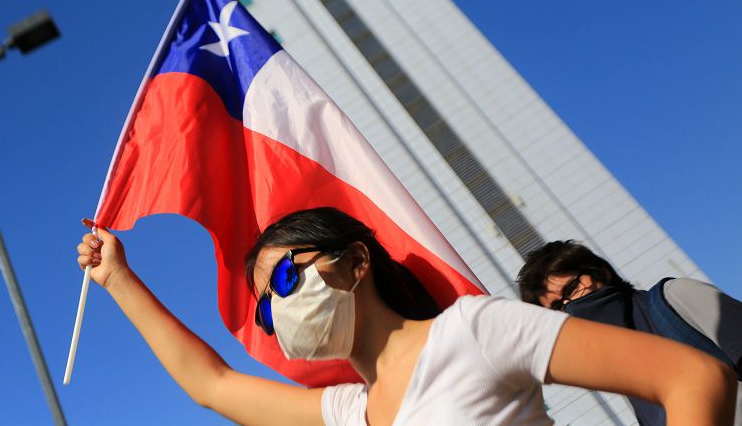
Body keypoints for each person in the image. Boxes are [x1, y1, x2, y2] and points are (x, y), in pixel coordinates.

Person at [77, 208, 736, 425]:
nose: (277, 307)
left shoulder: (475, 329)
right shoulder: (348, 412)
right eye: (265, 304)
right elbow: (212, 386)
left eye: (285, 275)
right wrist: (119, 280)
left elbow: (694, 378)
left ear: (356, 262)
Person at [517, 239, 742, 426]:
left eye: (571, 289)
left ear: (601, 273)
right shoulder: (624, 373)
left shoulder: (676, 298)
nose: (571, 305)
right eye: (557, 307)